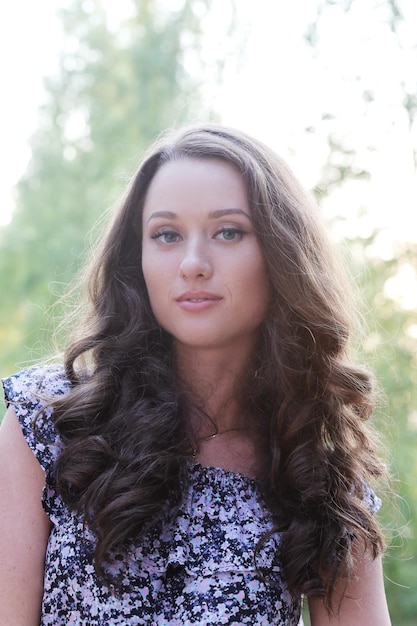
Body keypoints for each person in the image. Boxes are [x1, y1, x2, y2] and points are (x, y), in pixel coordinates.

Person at [0, 123, 391, 625]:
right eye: (166, 235)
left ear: (280, 255)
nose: (192, 263)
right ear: (136, 259)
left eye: (228, 232)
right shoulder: (49, 423)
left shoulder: (317, 468)